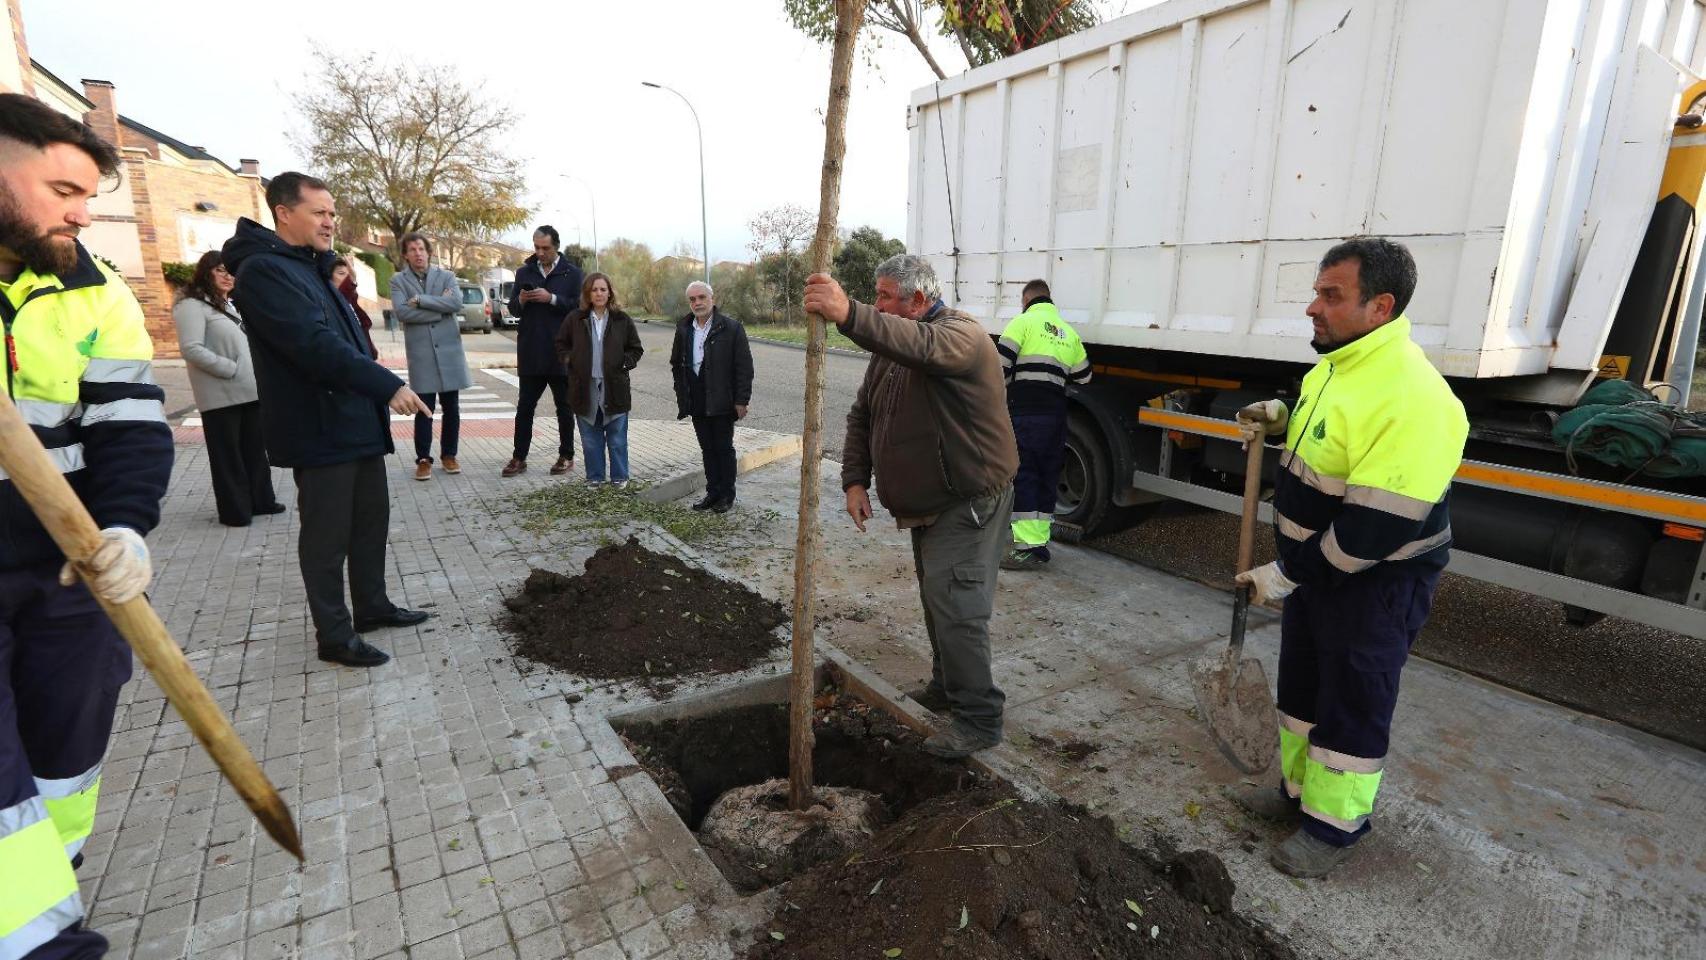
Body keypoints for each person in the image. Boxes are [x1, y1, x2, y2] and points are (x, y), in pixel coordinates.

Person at [1231, 237, 1467, 878]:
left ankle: (1333, 829)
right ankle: (1296, 795)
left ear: (1380, 306)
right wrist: (1283, 416)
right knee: (1304, 688)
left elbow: (1370, 529)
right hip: (1321, 576)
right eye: (1317, 291)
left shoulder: (1416, 399)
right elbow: (1332, 433)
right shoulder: (1335, 366)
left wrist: (1286, 574)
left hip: (1375, 583)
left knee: (1353, 697)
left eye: (1330, 295)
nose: (1313, 307)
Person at [0, 92, 173, 960]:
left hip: (65, 570)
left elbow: (131, 424)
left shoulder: (92, 291)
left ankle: (47, 897)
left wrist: (127, 528)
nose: (83, 209)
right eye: (62, 186)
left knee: (63, 766)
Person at [803, 255, 1017, 759]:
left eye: (884, 297)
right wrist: (855, 480)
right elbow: (863, 414)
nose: (878, 305)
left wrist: (849, 312)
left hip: (967, 501)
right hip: (929, 504)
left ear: (919, 300)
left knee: (958, 607)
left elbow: (924, 347)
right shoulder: (891, 349)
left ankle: (979, 719)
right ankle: (948, 688)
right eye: (874, 296)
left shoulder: (961, 336)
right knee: (936, 599)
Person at [222, 172, 433, 669]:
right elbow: (315, 347)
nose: (330, 222)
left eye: (332, 213)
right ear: (283, 213)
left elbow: (347, 336)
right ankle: (335, 636)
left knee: (368, 521)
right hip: (318, 427)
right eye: (319, 212)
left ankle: (373, 606)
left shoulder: (309, 266)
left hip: (353, 420)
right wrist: (388, 386)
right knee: (326, 536)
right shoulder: (265, 272)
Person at [174, 250, 285, 527]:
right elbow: (191, 348)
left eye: (231, 271)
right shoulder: (191, 305)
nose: (228, 276)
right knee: (228, 457)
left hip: (248, 391)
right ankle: (235, 511)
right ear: (206, 271)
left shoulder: (228, 304)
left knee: (255, 451)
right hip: (220, 395)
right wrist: (229, 368)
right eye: (221, 270)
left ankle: (261, 501)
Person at [995, 278, 1090, 570]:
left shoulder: (1021, 324)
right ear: (1049, 300)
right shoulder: (1068, 333)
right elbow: (1084, 377)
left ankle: (1027, 549)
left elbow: (998, 369)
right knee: (1048, 475)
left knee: (1024, 474)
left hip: (1025, 414)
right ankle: (1039, 541)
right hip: (1056, 417)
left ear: (1026, 301)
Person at [389, 233, 472, 481]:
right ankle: (423, 459)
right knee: (423, 409)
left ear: (429, 252)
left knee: (452, 408)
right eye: (412, 249)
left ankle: (449, 455)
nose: (418, 253)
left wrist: (422, 301)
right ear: (405, 254)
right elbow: (403, 313)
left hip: (449, 353)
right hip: (422, 355)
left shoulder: (446, 276)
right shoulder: (398, 281)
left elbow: (456, 303)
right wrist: (439, 311)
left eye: (421, 249)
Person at [504, 225, 581, 477]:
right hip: (531, 351)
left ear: (556, 246)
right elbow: (513, 309)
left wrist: (552, 298)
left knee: (564, 407)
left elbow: (579, 309)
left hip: (562, 353)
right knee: (525, 407)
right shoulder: (523, 272)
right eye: (536, 247)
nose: (540, 252)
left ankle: (566, 455)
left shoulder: (572, 273)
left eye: (545, 248)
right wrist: (521, 301)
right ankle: (519, 458)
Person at [670, 280, 753, 512]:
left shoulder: (732, 328)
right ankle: (712, 492)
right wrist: (682, 393)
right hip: (696, 399)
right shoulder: (684, 328)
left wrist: (741, 400)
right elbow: (676, 364)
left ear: (712, 299)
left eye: (701, 297)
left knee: (723, 448)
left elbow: (744, 367)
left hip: (722, 400)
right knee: (707, 449)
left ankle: (726, 495)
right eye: (692, 299)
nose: (697, 302)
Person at [555, 273, 643, 485]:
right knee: (591, 440)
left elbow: (636, 348)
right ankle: (594, 478)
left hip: (615, 388)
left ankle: (620, 478)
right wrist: (570, 360)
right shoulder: (575, 319)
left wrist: (625, 362)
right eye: (594, 289)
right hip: (585, 388)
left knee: (617, 439)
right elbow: (561, 344)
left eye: (603, 289)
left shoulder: (622, 319)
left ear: (610, 292)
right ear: (588, 293)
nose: (599, 293)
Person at [331, 256, 378, 359]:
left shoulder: (353, 303)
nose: (347, 278)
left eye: (349, 274)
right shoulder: (330, 304)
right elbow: (340, 299)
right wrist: (351, 280)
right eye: (341, 274)